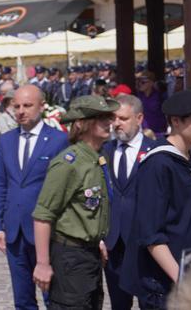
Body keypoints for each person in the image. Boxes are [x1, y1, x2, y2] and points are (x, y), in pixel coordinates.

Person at [120, 89, 191, 309]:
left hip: (190, 269)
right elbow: (151, 236)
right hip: (163, 282)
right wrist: (181, 278)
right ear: (176, 122)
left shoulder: (190, 154)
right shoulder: (158, 163)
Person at [32, 95, 119, 309]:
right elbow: (43, 215)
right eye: (100, 117)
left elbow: (89, 209)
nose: (109, 122)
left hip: (89, 255)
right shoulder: (68, 163)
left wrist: (97, 238)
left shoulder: (97, 157)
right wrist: (42, 264)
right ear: (81, 123)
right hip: (70, 258)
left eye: (109, 116)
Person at [0, 85, 68, 310]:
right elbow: (1, 185)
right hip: (14, 232)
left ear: (41, 106)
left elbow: (62, 189)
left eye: (27, 105)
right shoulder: (6, 141)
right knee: (22, 300)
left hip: (46, 231)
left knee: (52, 296)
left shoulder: (58, 140)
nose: (21, 111)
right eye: (17, 106)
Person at [100, 94, 155, 309]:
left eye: (123, 118)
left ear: (139, 118)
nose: (116, 124)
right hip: (114, 244)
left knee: (149, 303)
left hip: (144, 244)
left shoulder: (155, 150)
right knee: (119, 304)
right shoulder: (106, 150)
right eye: (114, 118)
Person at [136, 71, 167, 137]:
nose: (140, 84)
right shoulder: (138, 97)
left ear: (151, 83)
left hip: (159, 132)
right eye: (139, 82)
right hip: (144, 132)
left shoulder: (160, 96)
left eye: (143, 82)